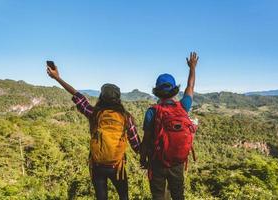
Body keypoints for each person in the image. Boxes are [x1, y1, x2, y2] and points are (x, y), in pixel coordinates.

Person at [46, 63, 141, 200]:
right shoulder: (126, 117)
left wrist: (57, 78)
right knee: (124, 196)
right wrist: (148, 159)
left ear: (101, 97)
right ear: (118, 99)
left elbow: (78, 96)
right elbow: (136, 144)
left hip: (98, 165)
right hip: (117, 166)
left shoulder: (94, 113)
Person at [140, 52, 198, 200]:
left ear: (157, 91)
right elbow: (190, 87)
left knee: (158, 196)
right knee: (178, 195)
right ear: (174, 90)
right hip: (177, 162)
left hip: (157, 162)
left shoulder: (152, 112)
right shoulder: (183, 107)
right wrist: (192, 67)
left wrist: (143, 158)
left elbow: (146, 140)